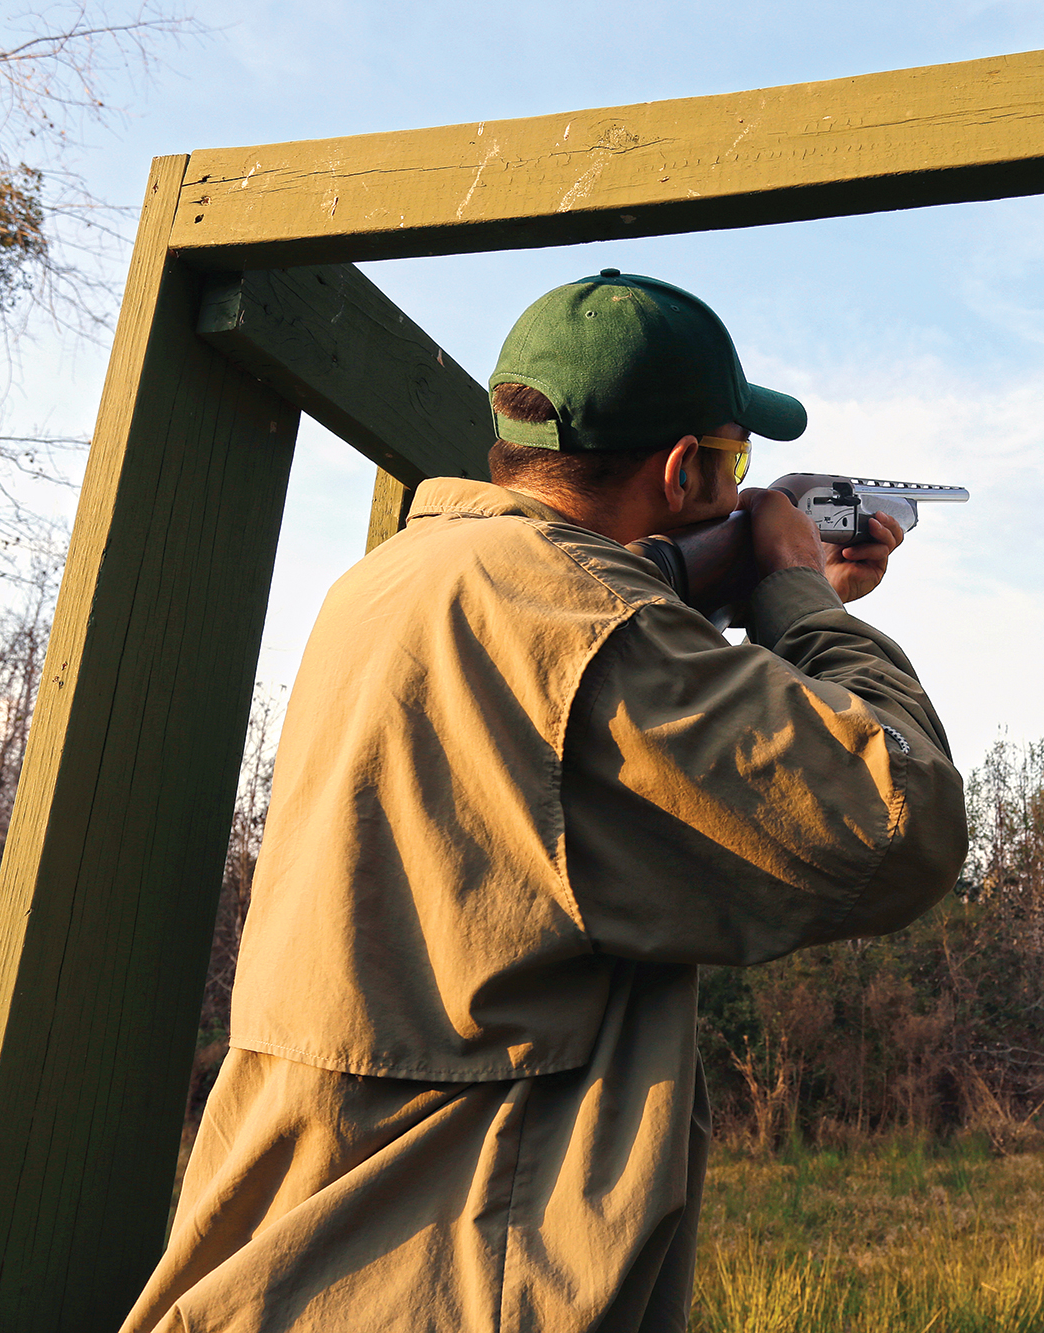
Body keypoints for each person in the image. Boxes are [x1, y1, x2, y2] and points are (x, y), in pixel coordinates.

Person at [119, 269, 967, 1333]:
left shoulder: (393, 583)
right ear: (682, 467)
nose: (738, 485)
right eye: (733, 462)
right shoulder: (588, 627)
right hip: (461, 1279)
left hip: (287, 1270)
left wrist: (742, 584)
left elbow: (581, 684)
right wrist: (795, 597)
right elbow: (903, 821)